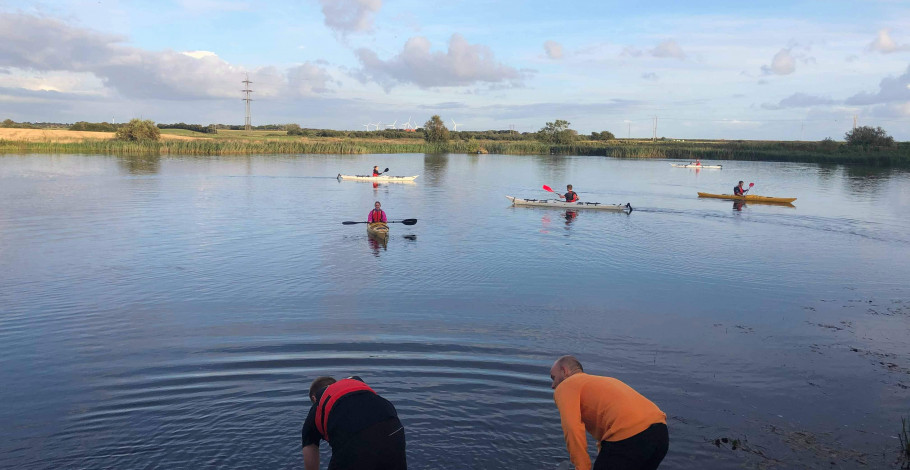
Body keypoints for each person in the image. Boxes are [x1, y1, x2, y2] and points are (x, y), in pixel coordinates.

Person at [550, 356, 668, 470]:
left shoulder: (566, 385)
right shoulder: (602, 381)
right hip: (660, 435)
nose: (553, 385)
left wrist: (582, 467)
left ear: (564, 371)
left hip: (631, 437)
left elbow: (572, 428)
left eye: (553, 377)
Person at [301, 376, 406, 470]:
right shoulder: (356, 384)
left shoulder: (317, 408)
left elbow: (310, 456)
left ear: (314, 399)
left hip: (355, 440)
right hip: (393, 426)